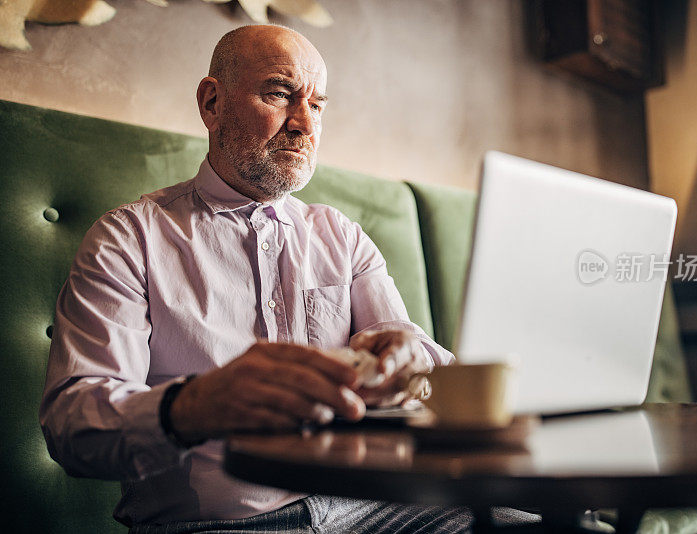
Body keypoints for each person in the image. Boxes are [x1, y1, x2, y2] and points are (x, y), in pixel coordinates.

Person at [39, 24, 504, 533]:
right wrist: (194, 406)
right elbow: (72, 423)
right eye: (280, 94)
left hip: (381, 506)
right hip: (223, 525)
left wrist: (412, 361)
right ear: (212, 103)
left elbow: (420, 362)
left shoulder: (341, 236)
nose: (304, 123)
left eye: (318, 104)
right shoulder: (128, 239)